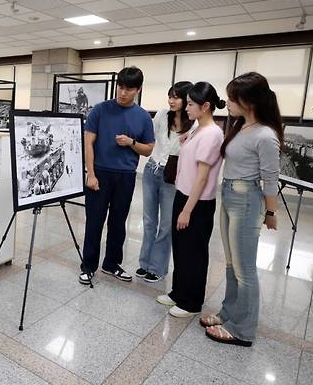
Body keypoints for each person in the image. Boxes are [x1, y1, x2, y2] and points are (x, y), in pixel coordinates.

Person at [202, 72, 282, 347]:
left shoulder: (265, 135)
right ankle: (229, 313)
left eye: (232, 98)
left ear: (248, 101)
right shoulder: (240, 126)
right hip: (230, 194)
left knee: (244, 269)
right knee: (230, 264)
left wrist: (271, 213)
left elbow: (271, 179)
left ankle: (243, 329)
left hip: (246, 199)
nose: (227, 102)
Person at [79, 66, 155, 285]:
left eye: (129, 89)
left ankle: (111, 264)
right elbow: (88, 143)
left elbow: (148, 149)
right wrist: (90, 174)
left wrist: (131, 143)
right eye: (120, 87)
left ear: (138, 89)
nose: (123, 93)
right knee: (94, 221)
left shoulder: (142, 117)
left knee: (118, 222)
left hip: (126, 176)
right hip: (100, 173)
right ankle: (88, 265)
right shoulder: (100, 110)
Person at [156, 82, 226, 317]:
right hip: (183, 194)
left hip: (197, 203)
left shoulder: (212, 134)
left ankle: (191, 302)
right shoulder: (198, 129)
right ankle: (178, 292)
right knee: (181, 248)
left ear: (206, 106)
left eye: (190, 104)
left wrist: (187, 210)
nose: (186, 108)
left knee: (194, 252)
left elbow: (202, 179)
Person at [137, 81, 194, 283]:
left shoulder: (193, 124)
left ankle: (158, 267)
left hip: (173, 177)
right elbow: (150, 138)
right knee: (149, 221)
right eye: (170, 96)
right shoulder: (162, 114)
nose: (171, 100)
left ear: (187, 99)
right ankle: (144, 263)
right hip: (152, 170)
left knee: (166, 224)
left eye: (176, 97)